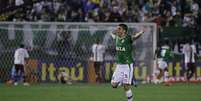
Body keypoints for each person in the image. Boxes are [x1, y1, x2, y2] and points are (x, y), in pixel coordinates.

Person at [110, 24, 144, 101]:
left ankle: (130, 99)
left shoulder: (128, 38)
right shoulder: (116, 38)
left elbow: (135, 37)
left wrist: (141, 32)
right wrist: (111, 33)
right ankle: (129, 80)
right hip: (119, 66)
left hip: (127, 65)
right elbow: (112, 35)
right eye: (117, 29)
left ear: (124, 31)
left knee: (126, 86)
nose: (117, 30)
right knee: (113, 85)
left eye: (119, 29)